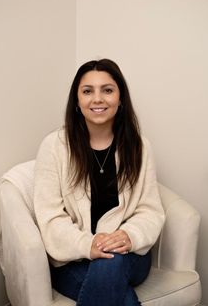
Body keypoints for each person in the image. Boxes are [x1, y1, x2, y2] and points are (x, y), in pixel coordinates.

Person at [34, 58, 165, 306]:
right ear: (77, 101)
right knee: (119, 292)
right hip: (72, 258)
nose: (97, 99)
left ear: (120, 98)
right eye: (87, 91)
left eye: (107, 90)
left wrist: (129, 235)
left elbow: (150, 209)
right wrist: (88, 244)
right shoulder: (54, 147)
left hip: (129, 254)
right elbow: (50, 217)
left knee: (112, 259)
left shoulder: (139, 146)